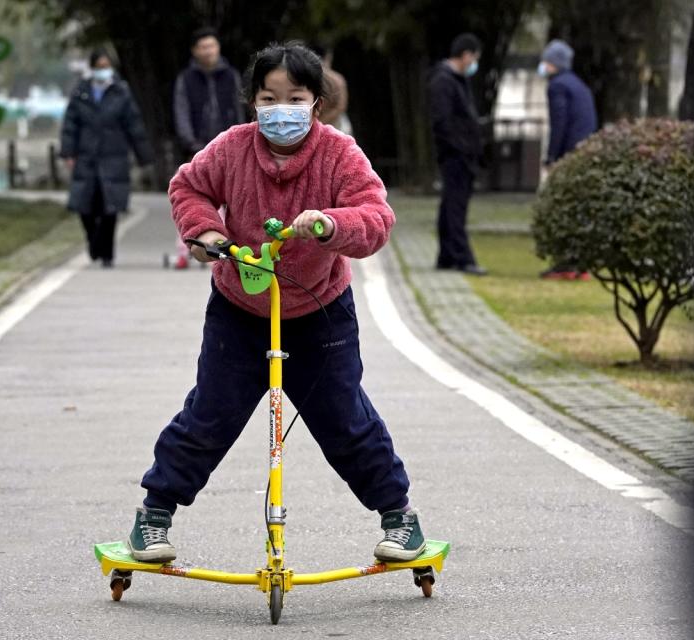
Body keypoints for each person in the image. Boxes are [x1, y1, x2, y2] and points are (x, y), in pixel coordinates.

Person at [127, 42, 426, 565]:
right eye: (269, 97)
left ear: (317, 102)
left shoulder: (339, 153)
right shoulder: (232, 148)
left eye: (295, 98)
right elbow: (188, 188)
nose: (280, 109)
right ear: (252, 100)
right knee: (211, 412)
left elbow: (377, 218)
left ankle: (399, 518)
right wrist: (206, 233)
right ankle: (154, 515)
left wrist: (332, 224)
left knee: (344, 417)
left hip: (321, 310)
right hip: (240, 307)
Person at [60, 50, 152, 268]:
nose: (103, 70)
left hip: (114, 156)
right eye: (99, 66)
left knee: (110, 208)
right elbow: (70, 125)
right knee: (85, 206)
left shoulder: (121, 92)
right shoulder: (81, 92)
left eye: (106, 65)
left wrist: (143, 155)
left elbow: (134, 125)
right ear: (92, 68)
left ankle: (107, 253)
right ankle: (94, 242)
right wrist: (68, 152)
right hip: (87, 156)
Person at [171, 27, 246, 270]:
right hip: (197, 147)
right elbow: (181, 112)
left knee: (231, 201)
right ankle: (188, 249)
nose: (208, 51)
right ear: (194, 51)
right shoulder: (186, 79)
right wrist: (190, 142)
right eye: (203, 47)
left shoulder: (231, 76)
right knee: (192, 200)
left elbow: (238, 109)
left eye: (212, 45)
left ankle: (224, 248)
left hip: (229, 149)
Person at [536, 39, 598, 280]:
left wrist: (552, 156)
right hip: (584, 152)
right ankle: (580, 263)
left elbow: (559, 124)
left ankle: (566, 263)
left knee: (563, 208)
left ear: (554, 63)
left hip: (569, 154)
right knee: (579, 209)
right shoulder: (579, 85)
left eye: (546, 61)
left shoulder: (558, 87)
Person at [428, 33, 487, 276]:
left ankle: (447, 255)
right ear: (466, 55)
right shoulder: (443, 81)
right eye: (474, 58)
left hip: (463, 153)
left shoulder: (457, 80)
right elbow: (443, 122)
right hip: (455, 154)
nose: (474, 64)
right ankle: (462, 257)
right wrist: (460, 147)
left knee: (450, 205)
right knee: (455, 206)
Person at [311, 44, 351, 135]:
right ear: (328, 57)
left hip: (314, 126)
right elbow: (340, 106)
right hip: (336, 126)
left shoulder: (304, 79)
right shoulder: (337, 79)